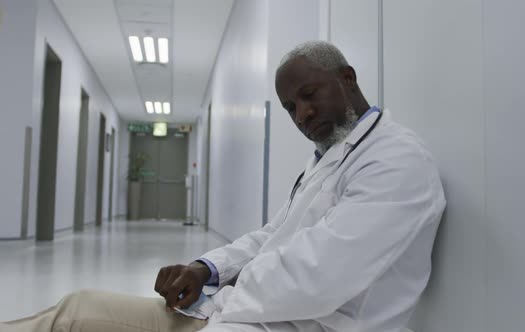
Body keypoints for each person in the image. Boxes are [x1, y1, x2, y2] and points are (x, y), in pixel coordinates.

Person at [0, 41, 446, 332]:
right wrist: (205, 268)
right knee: (76, 309)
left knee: (77, 320)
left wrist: (221, 299)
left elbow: (320, 278)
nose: (303, 115)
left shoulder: (395, 160)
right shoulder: (330, 157)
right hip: (258, 316)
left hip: (286, 322)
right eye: (291, 107)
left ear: (347, 79)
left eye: (310, 95)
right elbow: (273, 235)